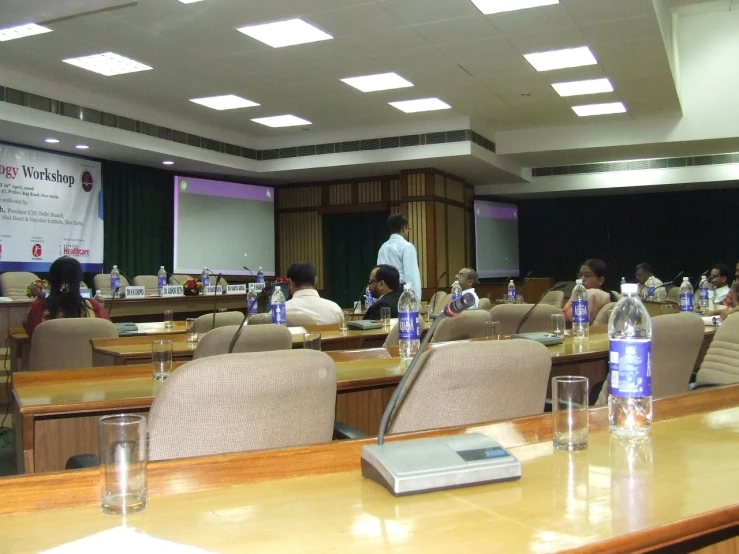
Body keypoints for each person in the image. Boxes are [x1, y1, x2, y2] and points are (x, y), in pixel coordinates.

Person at [23, 256, 109, 339]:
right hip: (86, 354)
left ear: (51, 280)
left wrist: (41, 299)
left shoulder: (39, 307)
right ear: (79, 280)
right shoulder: (94, 306)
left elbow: (32, 334)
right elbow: (106, 333)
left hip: (50, 353)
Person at [376, 213, 422, 298]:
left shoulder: (383, 248)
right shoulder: (407, 247)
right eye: (408, 228)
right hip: (401, 294)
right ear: (404, 228)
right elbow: (411, 276)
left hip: (383, 294)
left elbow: (378, 273)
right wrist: (415, 299)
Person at [563, 258, 617, 324]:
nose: (582, 279)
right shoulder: (583, 293)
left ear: (601, 280)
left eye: (587, 275)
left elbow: (564, 318)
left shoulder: (592, 294)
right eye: (580, 275)